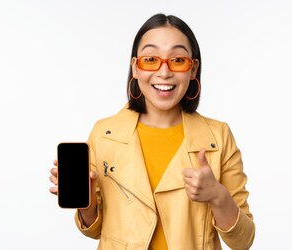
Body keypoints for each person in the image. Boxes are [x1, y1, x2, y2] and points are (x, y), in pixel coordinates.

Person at [49, 13, 255, 249]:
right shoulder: (104, 133)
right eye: (150, 59)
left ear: (193, 69)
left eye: (177, 60)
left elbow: (243, 241)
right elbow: (94, 229)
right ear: (135, 67)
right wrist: (86, 202)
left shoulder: (218, 137)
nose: (164, 72)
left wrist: (218, 195)